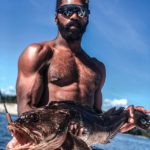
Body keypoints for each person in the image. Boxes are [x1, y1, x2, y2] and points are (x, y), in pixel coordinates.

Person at [7, 0, 150, 148]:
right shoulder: (38, 53)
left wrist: (124, 121)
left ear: (87, 17)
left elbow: (97, 121)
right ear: (56, 16)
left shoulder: (97, 68)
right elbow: (25, 108)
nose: (75, 16)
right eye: (68, 10)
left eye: (81, 11)